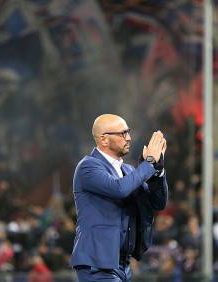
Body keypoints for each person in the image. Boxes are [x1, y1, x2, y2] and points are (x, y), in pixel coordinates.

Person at [71, 114, 168, 282]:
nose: (129, 138)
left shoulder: (129, 171)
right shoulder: (88, 167)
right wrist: (149, 163)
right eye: (122, 133)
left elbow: (157, 203)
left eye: (128, 132)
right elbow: (119, 189)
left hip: (123, 265)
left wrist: (157, 170)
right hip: (97, 264)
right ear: (104, 140)